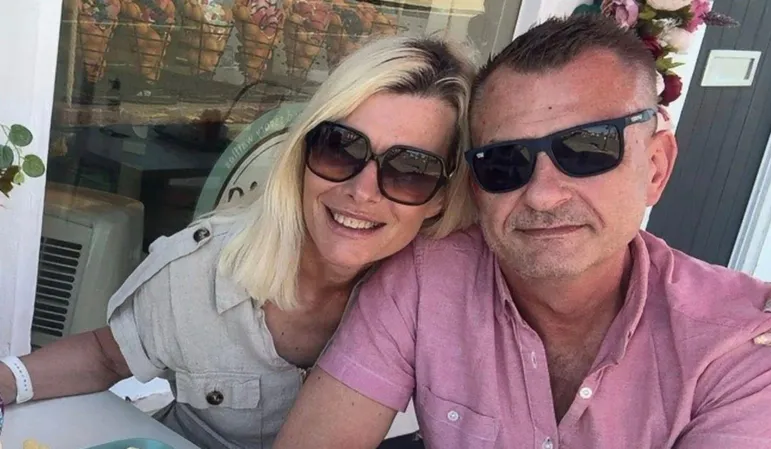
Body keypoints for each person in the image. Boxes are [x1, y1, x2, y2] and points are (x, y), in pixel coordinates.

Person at [274, 15, 771, 449]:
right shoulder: (422, 279)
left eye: (588, 150)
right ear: (477, 187)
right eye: (505, 162)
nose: (543, 195)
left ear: (656, 168)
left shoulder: (751, 346)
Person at [0, 36, 477, 448]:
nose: (362, 190)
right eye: (340, 147)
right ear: (302, 152)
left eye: (411, 169)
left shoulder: (438, 306)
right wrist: (6, 380)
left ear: (442, 196)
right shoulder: (204, 269)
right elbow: (107, 355)